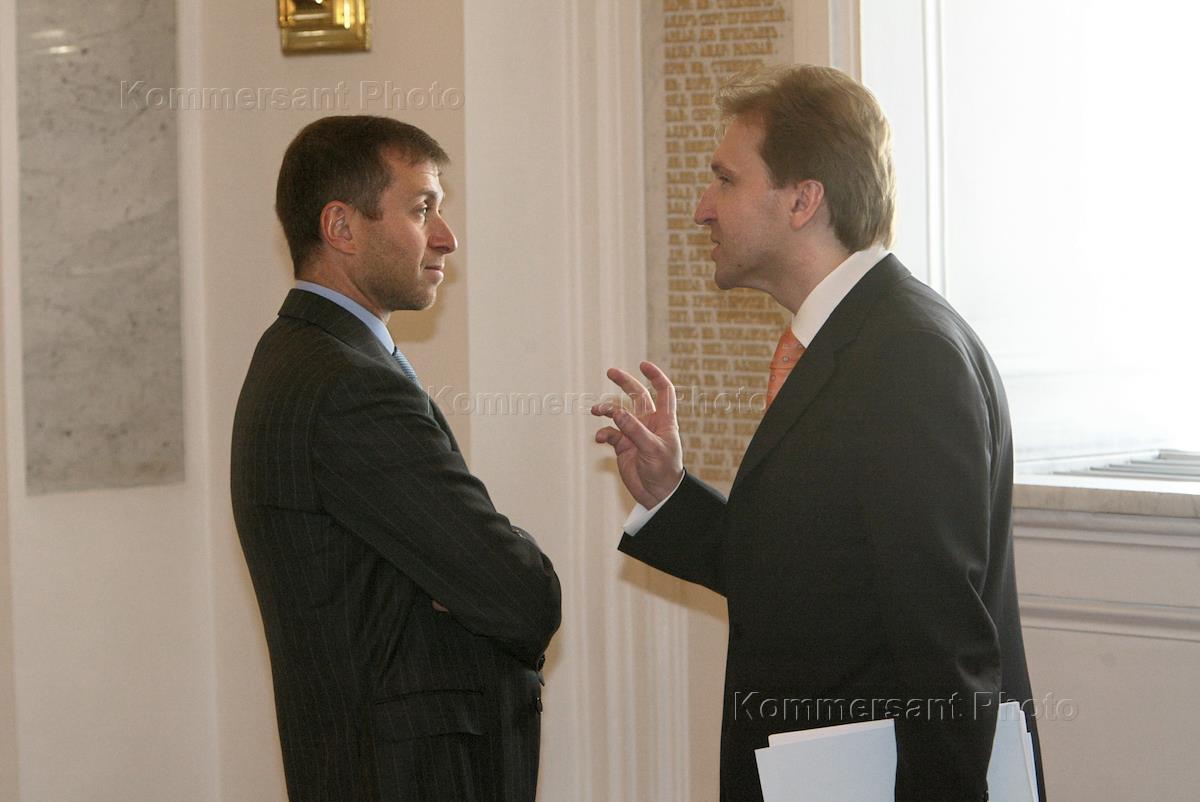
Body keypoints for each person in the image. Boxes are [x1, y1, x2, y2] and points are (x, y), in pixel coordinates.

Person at [592, 66, 1046, 802]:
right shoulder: (857, 337)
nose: (703, 209)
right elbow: (816, 579)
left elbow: (945, 649)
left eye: (725, 181)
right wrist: (670, 495)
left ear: (803, 201)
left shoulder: (908, 354)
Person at [232, 115, 561, 802]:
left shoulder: (298, 352)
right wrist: (474, 579)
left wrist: (454, 584)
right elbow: (522, 597)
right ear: (341, 227)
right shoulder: (350, 385)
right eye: (422, 209)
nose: (447, 237)